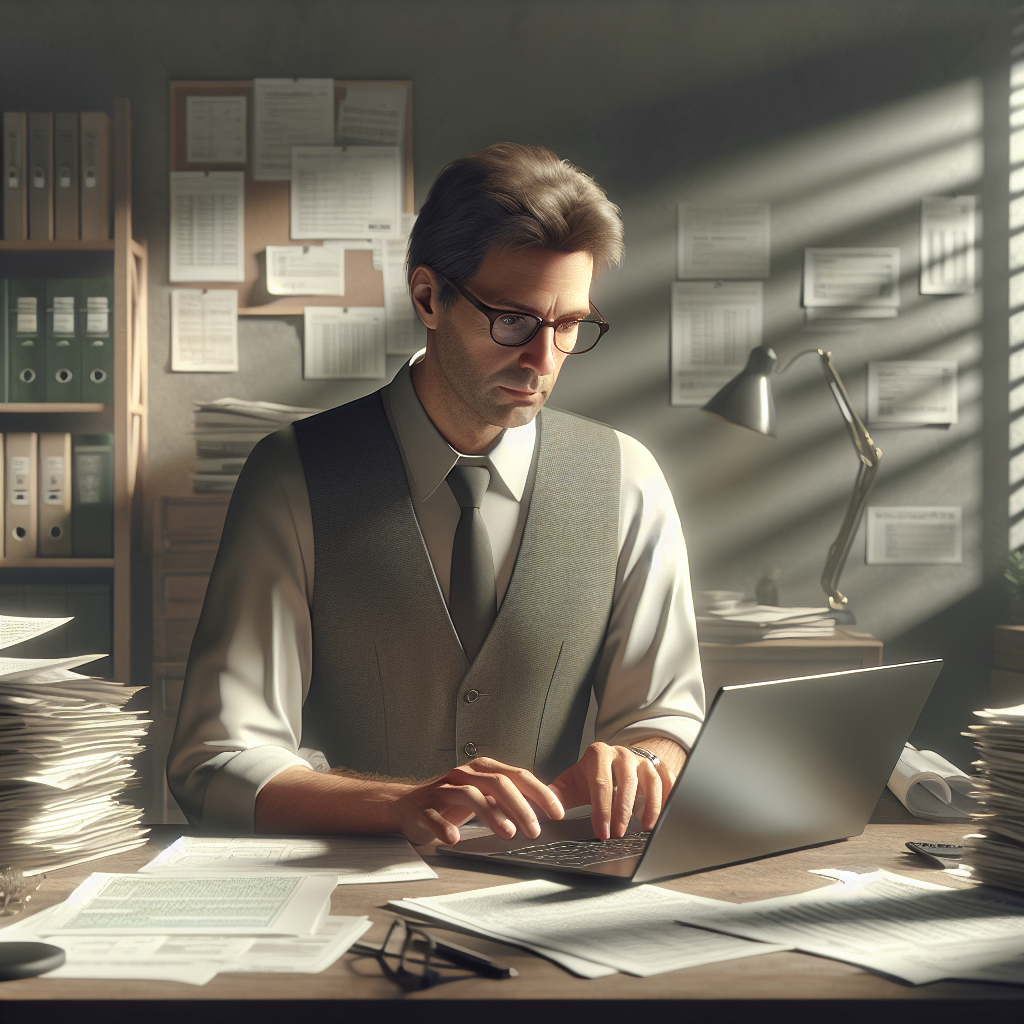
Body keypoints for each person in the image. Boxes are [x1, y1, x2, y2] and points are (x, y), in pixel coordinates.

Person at [167, 143, 704, 848]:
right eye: (514, 320)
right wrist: (396, 804)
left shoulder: (627, 478)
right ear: (428, 296)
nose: (544, 360)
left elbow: (667, 721)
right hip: (344, 894)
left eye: (569, 325)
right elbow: (217, 762)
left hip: (550, 892)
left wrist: (640, 763)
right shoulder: (292, 475)